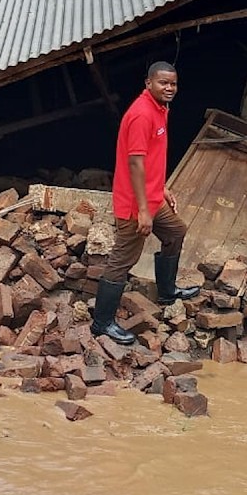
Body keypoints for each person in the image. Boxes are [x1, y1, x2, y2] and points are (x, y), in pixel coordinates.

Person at [92, 61, 200, 346]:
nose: (169, 88)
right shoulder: (141, 114)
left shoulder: (160, 109)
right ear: (148, 83)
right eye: (163, 83)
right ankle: (101, 323)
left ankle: (167, 292)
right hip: (134, 203)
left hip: (152, 197)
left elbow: (152, 157)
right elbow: (136, 163)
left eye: (173, 83)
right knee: (123, 259)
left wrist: (161, 187)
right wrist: (142, 210)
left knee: (175, 232)